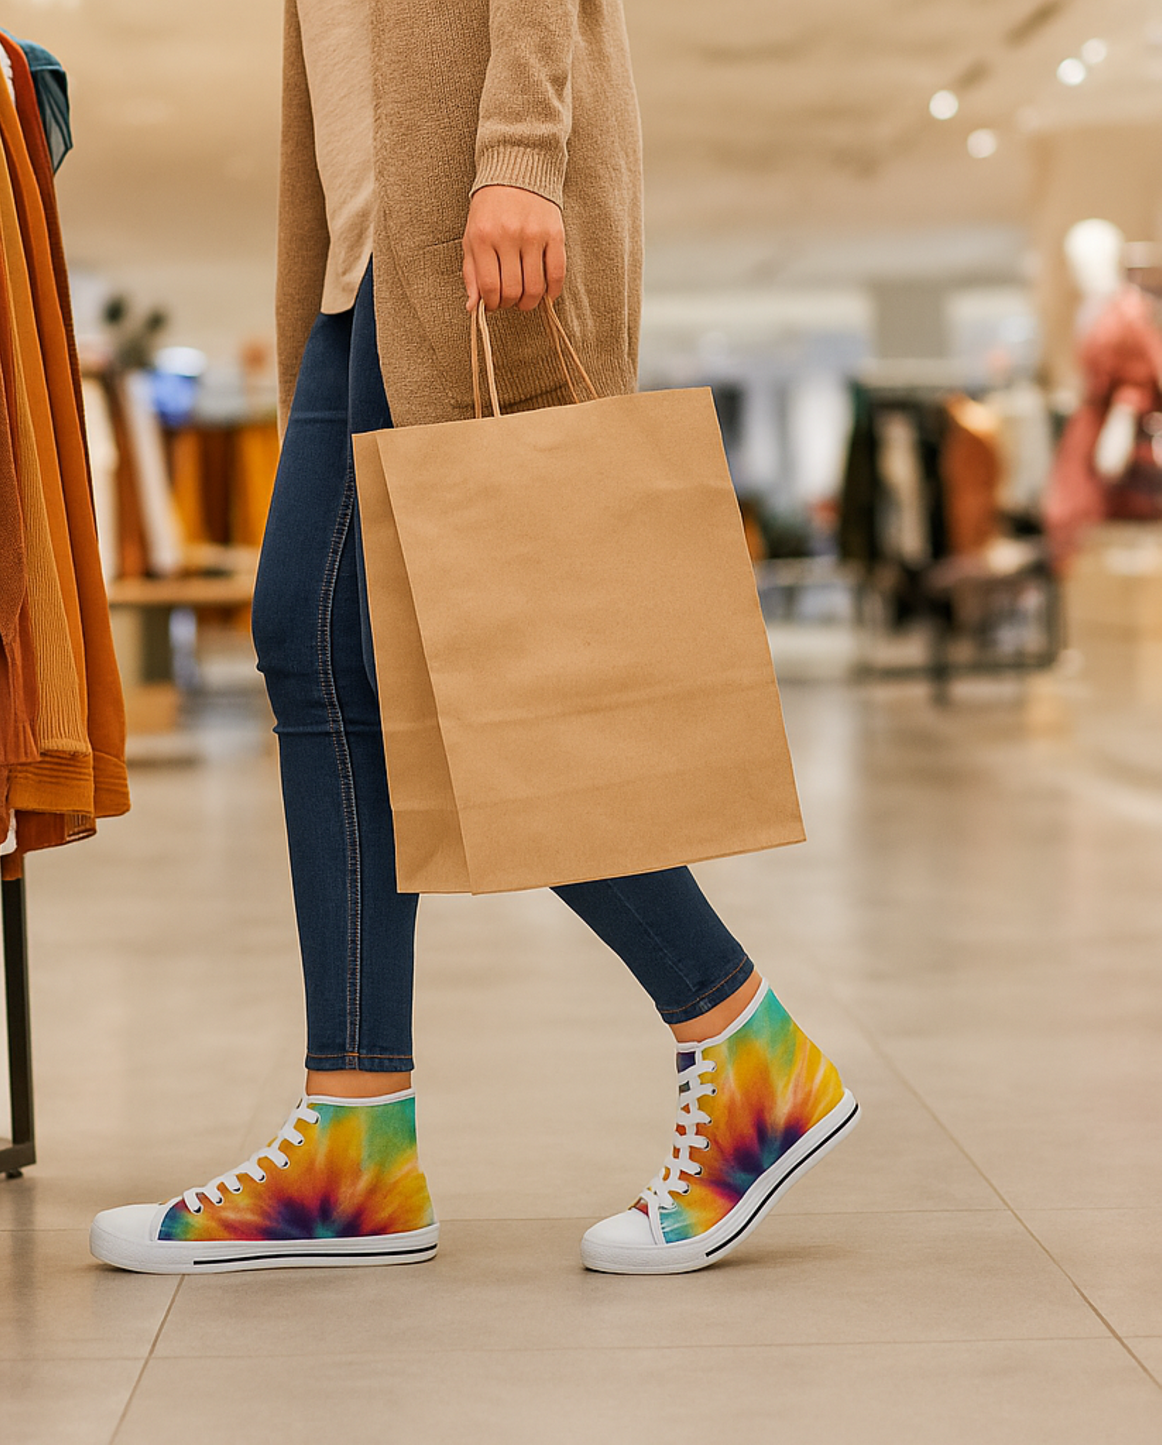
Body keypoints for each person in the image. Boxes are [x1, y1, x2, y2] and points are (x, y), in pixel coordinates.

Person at [90, 0, 858, 1277]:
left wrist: (515, 154)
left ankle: (742, 1043)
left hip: (459, 224)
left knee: (470, 651)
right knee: (312, 647)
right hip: (366, 253)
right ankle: (354, 1139)